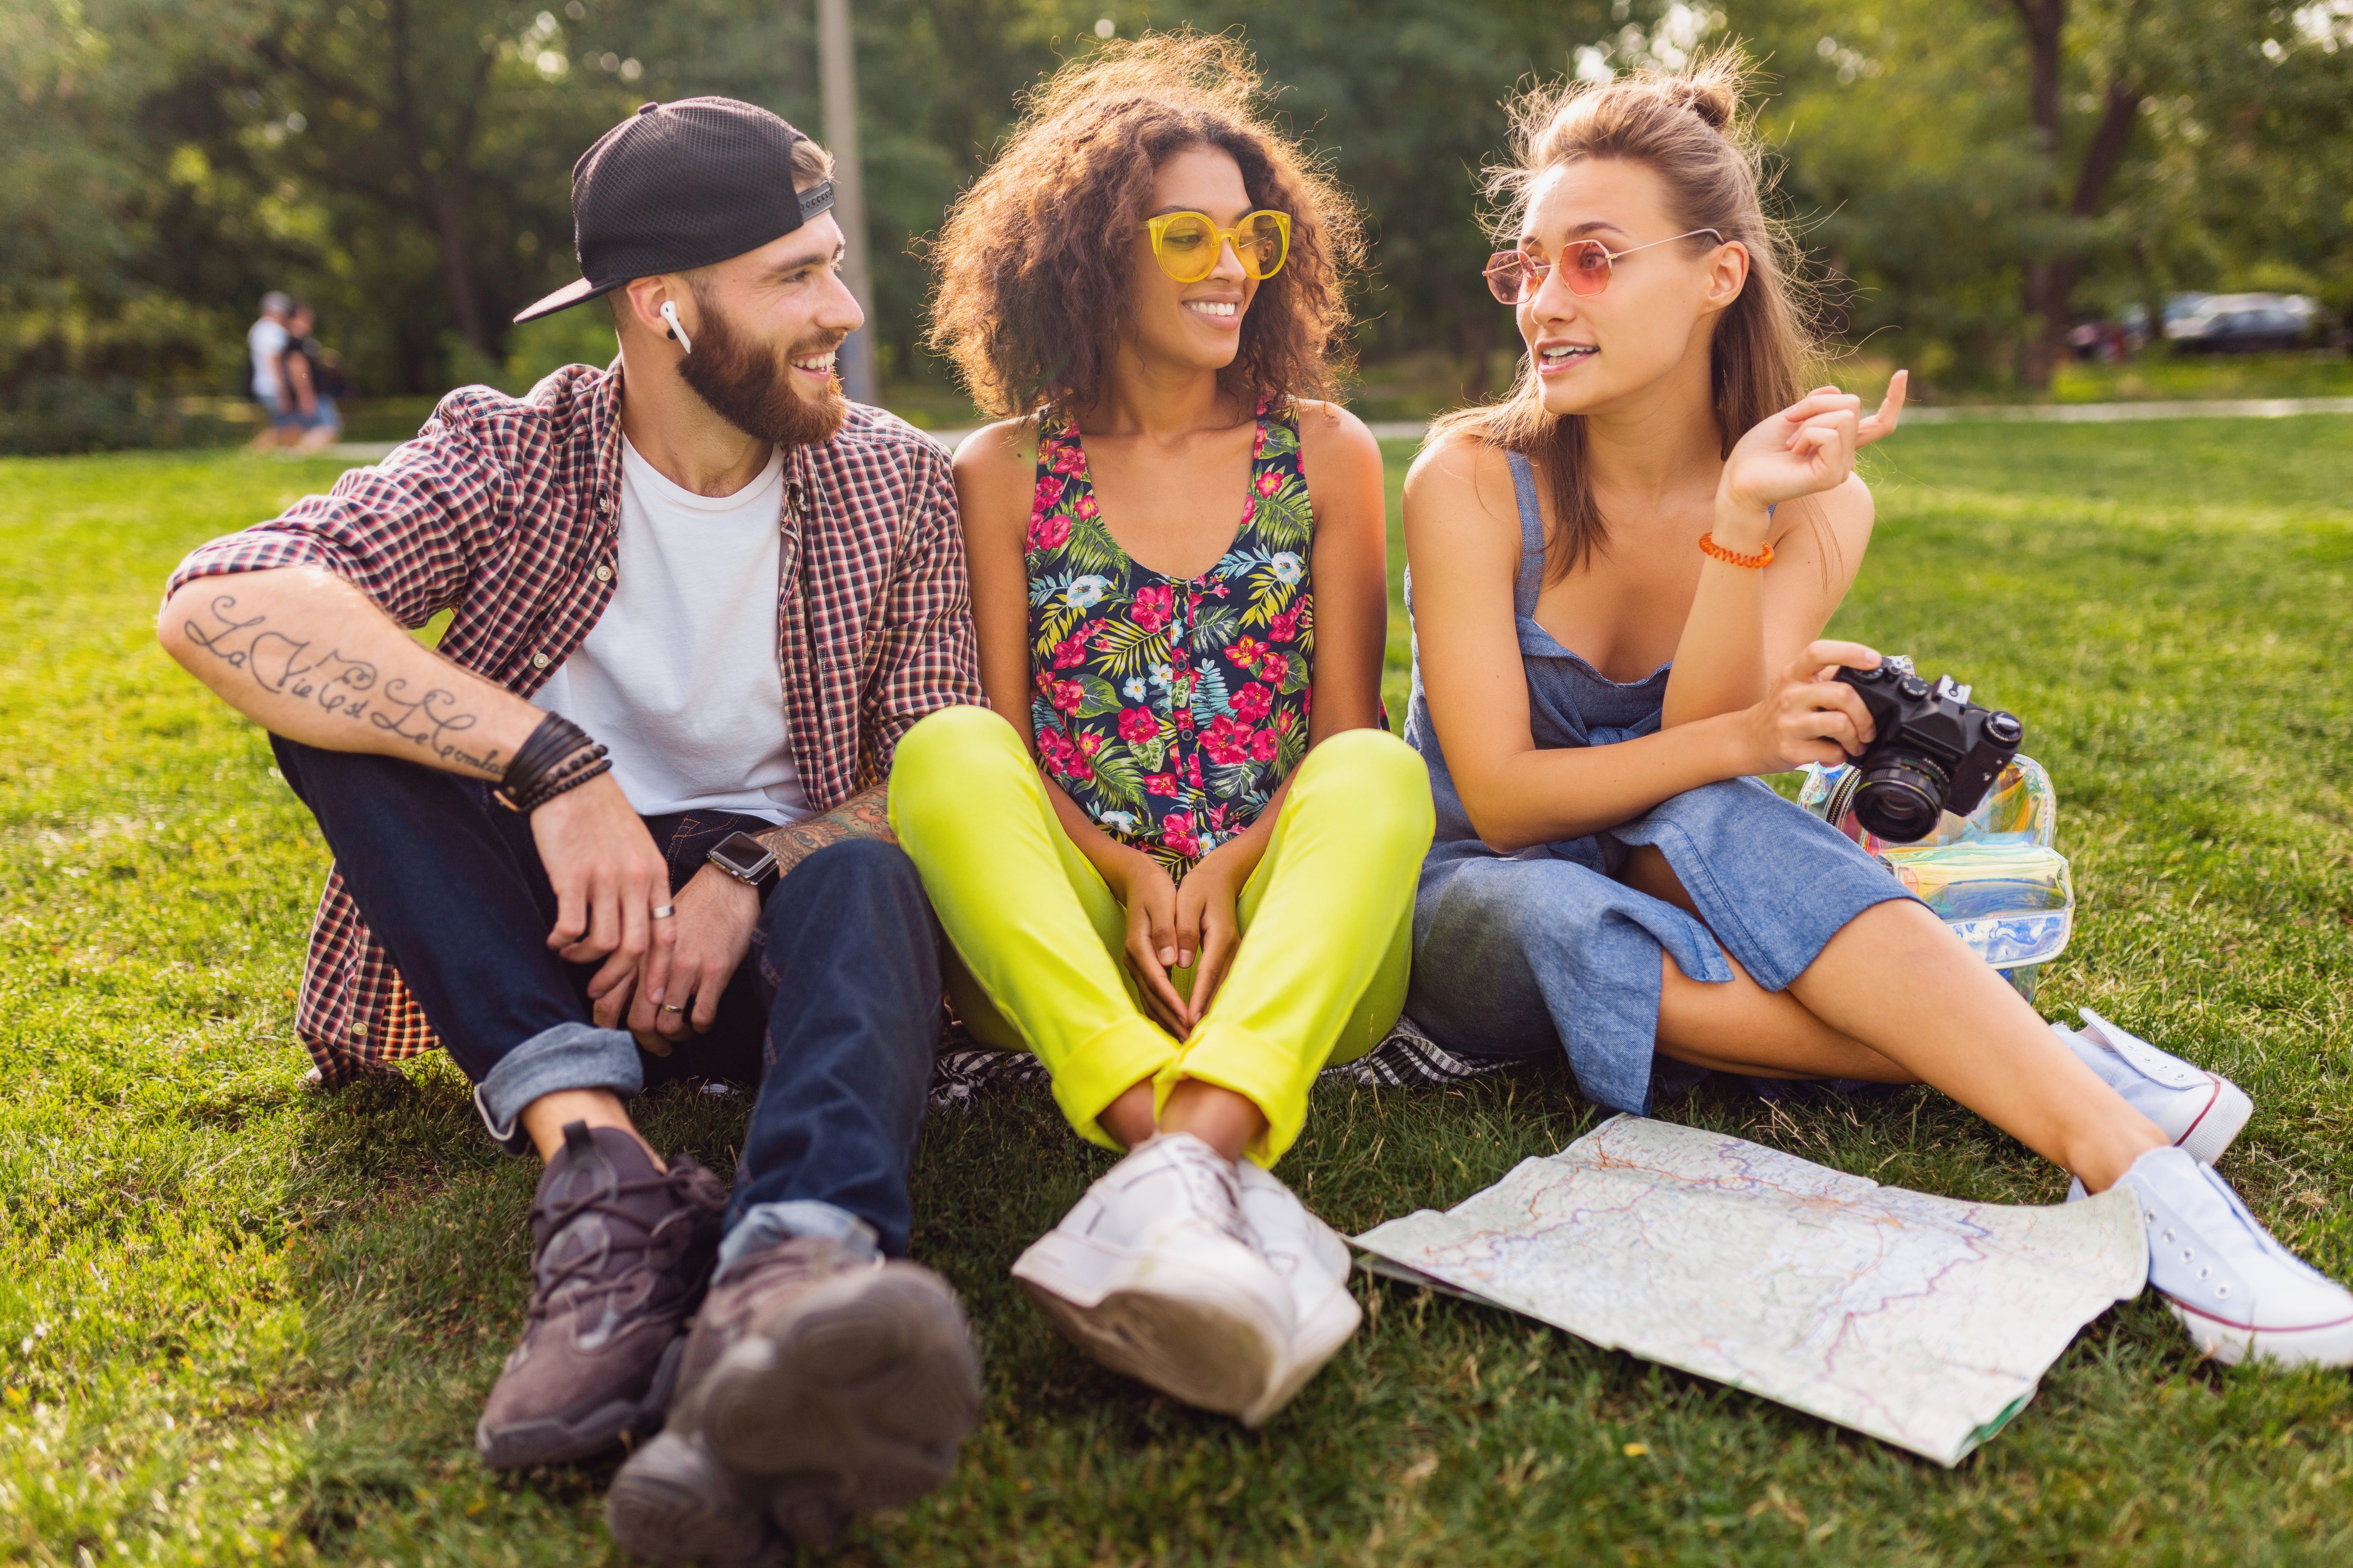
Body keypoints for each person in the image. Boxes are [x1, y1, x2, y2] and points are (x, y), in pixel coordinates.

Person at [1402, 54, 2353, 1370]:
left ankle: (2145, 1183)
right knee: (1565, 899)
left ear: (1719, 274)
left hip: (1692, 868)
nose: (1544, 304)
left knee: (1699, 810)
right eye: (1530, 267)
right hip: (1477, 895)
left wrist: (1742, 523)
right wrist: (1745, 740)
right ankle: (2041, 1063)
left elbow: (1699, 775)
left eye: (1595, 261)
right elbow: (1503, 800)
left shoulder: (1818, 499)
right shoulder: (1468, 478)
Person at [157, 98, 987, 1561]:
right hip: (548, 939)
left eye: (834, 264)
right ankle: (599, 1178)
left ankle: (792, 1277)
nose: (843, 310)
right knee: (343, 712)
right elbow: (220, 602)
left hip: (778, 951)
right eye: (796, 276)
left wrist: (750, 865)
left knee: (871, 864)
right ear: (665, 309)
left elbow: (941, 767)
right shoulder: (510, 453)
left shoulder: (902, 482)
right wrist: (551, 762)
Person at [898, 34, 1434, 1427]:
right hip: (1074, 939)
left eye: (1252, 233)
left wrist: (1227, 867)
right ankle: (1182, 1151)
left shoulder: (1324, 450)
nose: (1229, 265)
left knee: (1379, 771)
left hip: (1294, 957)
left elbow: (1338, 740)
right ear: (1085, 256)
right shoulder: (1005, 469)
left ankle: (1174, 1156)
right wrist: (1133, 870)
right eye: (1184, 234)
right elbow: (1009, 751)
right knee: (945, 749)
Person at [276, 302, 344, 453]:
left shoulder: (296, 343)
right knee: (330, 429)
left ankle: (295, 452)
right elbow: (297, 367)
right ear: (293, 320)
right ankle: (299, 453)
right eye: (304, 319)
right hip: (314, 395)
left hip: (309, 394)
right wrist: (306, 396)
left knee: (295, 429)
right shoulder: (296, 343)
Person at [246, 291, 296, 451]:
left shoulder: (258, 328)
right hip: (272, 385)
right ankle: (253, 452)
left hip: (261, 384)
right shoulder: (275, 330)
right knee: (285, 425)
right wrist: (282, 388)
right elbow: (273, 361)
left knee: (279, 424)